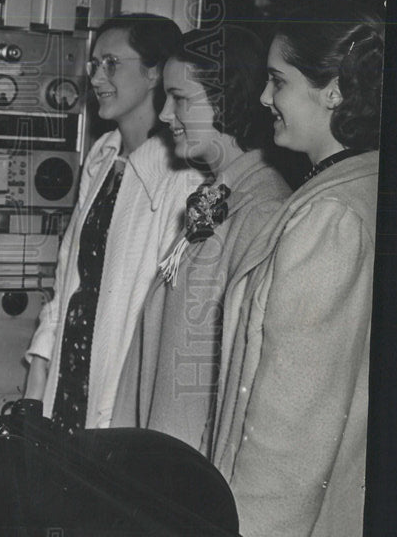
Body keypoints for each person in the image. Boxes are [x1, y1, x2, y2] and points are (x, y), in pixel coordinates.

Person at [210, 4, 382, 537]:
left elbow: (293, 425)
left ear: (334, 91)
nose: (264, 99)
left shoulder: (330, 216)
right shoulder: (353, 190)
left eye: (278, 81)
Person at [109, 25, 290, 453]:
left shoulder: (262, 209)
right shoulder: (220, 194)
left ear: (227, 100)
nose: (166, 115)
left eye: (181, 99)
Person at [24, 14, 201, 432]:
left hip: (119, 394)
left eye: (112, 64)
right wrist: (39, 367)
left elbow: (164, 320)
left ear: (155, 72)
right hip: (69, 374)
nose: (98, 78)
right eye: (94, 65)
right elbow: (69, 272)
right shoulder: (104, 157)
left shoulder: (182, 179)